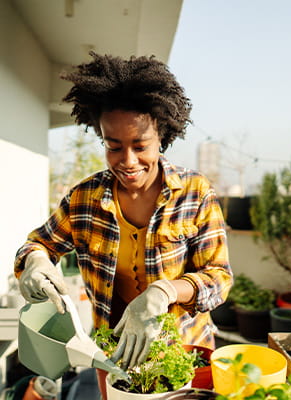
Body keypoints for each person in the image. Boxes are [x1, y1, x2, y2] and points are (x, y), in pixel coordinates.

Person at [14, 52, 233, 370]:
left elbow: (219, 278)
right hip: (115, 360)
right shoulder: (83, 200)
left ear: (162, 137)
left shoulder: (195, 192)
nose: (128, 161)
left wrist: (163, 292)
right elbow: (39, 245)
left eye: (140, 146)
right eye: (113, 146)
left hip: (184, 355)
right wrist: (34, 262)